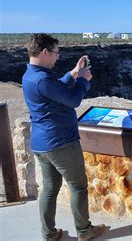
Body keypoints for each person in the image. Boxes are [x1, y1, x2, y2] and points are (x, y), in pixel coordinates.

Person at [22, 33, 106, 241]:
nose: (57, 57)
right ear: (44, 52)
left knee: (50, 188)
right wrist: (84, 81)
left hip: (41, 143)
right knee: (78, 186)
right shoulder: (42, 78)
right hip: (60, 143)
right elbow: (72, 100)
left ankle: (49, 234)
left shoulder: (30, 75)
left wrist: (74, 73)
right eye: (56, 53)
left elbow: (54, 89)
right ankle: (85, 231)